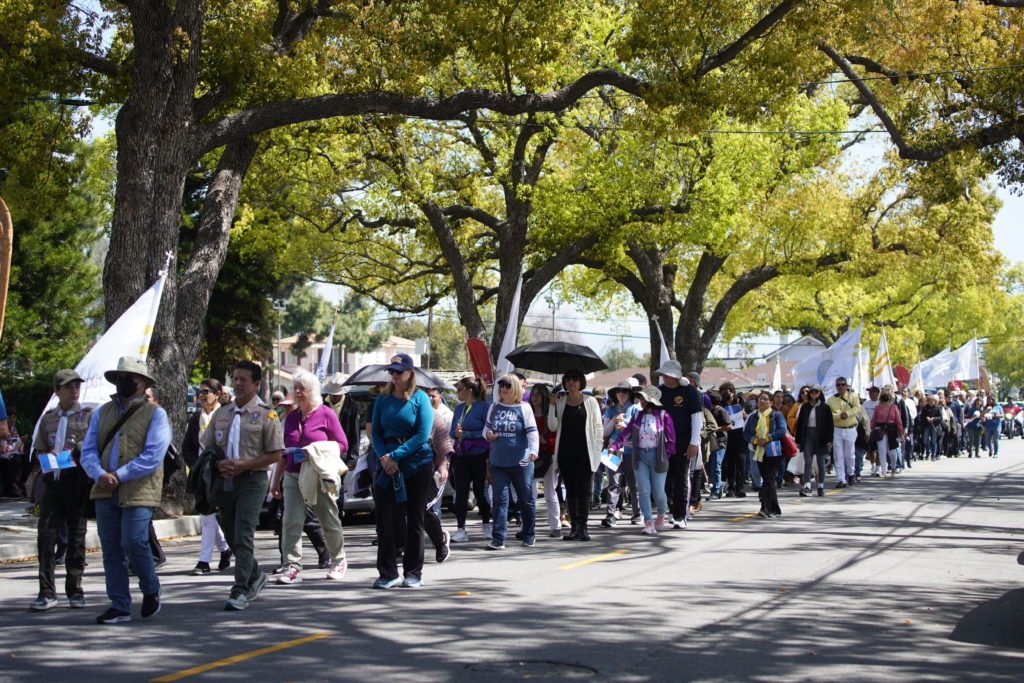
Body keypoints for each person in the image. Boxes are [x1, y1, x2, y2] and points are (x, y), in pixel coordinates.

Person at [80, 356, 172, 624]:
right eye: (120, 377)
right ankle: (119, 604)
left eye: (129, 377)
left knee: (134, 541)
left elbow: (154, 455)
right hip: (105, 489)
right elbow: (87, 451)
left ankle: (151, 588)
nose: (123, 382)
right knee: (111, 549)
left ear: (143, 382)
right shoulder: (102, 412)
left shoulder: (156, 414)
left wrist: (118, 475)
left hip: (139, 490)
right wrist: (99, 474)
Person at [200, 360, 284, 611]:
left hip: (252, 479)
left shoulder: (267, 414)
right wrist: (217, 465)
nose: (237, 384)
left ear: (256, 383)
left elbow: (276, 454)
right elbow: (209, 446)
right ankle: (256, 575)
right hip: (225, 480)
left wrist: (244, 465)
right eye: (235, 378)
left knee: (244, 531)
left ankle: (241, 588)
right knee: (230, 532)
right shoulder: (222, 413)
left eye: (243, 379)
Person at [270, 369, 349, 585]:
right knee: (290, 522)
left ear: (312, 391)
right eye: (295, 388)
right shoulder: (291, 417)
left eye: (301, 388)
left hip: (317, 474)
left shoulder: (326, 414)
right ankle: (292, 566)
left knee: (328, 519)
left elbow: (343, 445)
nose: (297, 392)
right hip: (293, 475)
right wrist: (275, 481)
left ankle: (338, 560)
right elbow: (284, 452)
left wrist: (315, 449)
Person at [29, 369, 93, 611]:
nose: (73, 390)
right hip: (53, 481)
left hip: (76, 481)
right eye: (68, 387)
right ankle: (46, 591)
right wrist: (47, 455)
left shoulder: (88, 416)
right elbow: (39, 448)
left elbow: (93, 446)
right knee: (46, 535)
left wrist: (75, 452)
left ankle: (75, 589)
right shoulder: (48, 418)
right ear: (57, 390)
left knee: (77, 536)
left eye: (76, 386)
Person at [371, 353, 434, 588]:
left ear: (410, 373)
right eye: (392, 372)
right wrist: (384, 457)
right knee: (386, 518)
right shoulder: (383, 399)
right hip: (387, 463)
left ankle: (413, 572)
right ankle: (388, 572)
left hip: (416, 463)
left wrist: (396, 455)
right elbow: (375, 432)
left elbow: (422, 434)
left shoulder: (420, 398)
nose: (395, 376)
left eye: (399, 372)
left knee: (415, 519)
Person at [608, 385, 675, 535]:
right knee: (643, 491)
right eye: (641, 398)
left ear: (652, 400)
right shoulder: (638, 416)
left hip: (658, 457)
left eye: (644, 398)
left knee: (658, 492)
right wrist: (615, 446)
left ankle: (661, 514)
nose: (641, 401)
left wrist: (667, 455)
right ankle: (648, 522)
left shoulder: (664, 416)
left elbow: (671, 441)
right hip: (639, 457)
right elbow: (626, 433)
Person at [181, 378, 232, 576]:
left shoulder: (226, 415)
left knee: (211, 518)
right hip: (202, 474)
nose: (202, 396)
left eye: (206, 392)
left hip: (222, 471)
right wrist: (196, 466)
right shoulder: (196, 418)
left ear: (217, 393)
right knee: (207, 516)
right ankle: (217, 554)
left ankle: (210, 557)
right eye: (199, 393)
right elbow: (188, 447)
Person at [483, 374, 538, 550]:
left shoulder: (525, 408)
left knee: (526, 499)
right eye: (502, 385)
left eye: (507, 385)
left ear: (514, 387)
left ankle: (529, 534)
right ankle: (499, 538)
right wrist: (488, 435)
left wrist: (534, 451)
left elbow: (532, 433)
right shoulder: (494, 406)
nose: (504, 388)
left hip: (521, 462)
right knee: (500, 499)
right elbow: (486, 429)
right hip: (498, 462)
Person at [547, 369, 603, 541]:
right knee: (571, 490)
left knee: (584, 489)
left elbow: (598, 427)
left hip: (586, 452)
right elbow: (553, 426)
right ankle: (574, 528)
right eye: (568, 379)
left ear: (581, 382)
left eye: (575, 379)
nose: (571, 382)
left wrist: (597, 449)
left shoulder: (591, 401)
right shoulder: (561, 400)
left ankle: (583, 528)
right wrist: (552, 405)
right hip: (565, 452)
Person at [657, 361, 703, 529]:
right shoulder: (659, 392)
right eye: (663, 374)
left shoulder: (690, 391)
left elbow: (697, 419)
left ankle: (680, 516)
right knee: (664, 481)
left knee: (681, 480)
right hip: (662, 444)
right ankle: (669, 510)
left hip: (684, 443)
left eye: (667, 374)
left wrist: (693, 443)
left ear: (675, 375)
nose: (664, 377)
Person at [449, 375, 492, 543]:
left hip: (478, 454)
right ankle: (461, 528)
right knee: (461, 491)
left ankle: (487, 524)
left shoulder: (484, 407)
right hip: (461, 454)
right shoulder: (459, 408)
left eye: (459, 389)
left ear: (469, 391)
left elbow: (486, 431)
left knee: (480, 491)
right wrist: (457, 433)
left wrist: (467, 434)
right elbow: (452, 432)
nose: (457, 392)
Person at [601, 380, 640, 527]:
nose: (621, 394)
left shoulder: (636, 409)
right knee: (613, 483)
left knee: (633, 483)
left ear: (630, 394)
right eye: (619, 391)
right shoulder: (610, 410)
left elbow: (639, 430)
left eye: (625, 391)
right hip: (612, 450)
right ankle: (610, 514)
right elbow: (604, 431)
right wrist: (613, 420)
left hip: (631, 449)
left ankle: (637, 513)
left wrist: (625, 426)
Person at [744, 391, 787, 519]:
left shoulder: (776, 415)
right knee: (766, 479)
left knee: (769, 478)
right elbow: (746, 434)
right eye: (760, 399)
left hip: (773, 451)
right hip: (759, 451)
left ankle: (769, 508)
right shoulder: (753, 417)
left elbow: (782, 430)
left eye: (765, 399)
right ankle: (769, 507)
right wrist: (756, 440)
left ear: (771, 402)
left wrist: (767, 438)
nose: (762, 401)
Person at [530, 383, 564, 538]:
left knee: (550, 492)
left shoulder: (551, 413)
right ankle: (527, 525)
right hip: (530, 457)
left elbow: (555, 435)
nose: (534, 397)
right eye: (533, 393)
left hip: (547, 456)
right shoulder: (527, 412)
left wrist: (543, 440)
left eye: (538, 394)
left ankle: (556, 525)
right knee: (530, 493)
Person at [424, 386, 452, 563]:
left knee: (422, 509)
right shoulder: (391, 407)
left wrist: (442, 465)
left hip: (424, 468)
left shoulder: (433, 415)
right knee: (397, 511)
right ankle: (401, 548)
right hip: (398, 469)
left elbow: (442, 444)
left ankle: (440, 541)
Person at [795, 385, 833, 497]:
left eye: (816, 392)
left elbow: (830, 425)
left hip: (821, 436)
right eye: (812, 392)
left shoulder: (825, 407)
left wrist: (829, 439)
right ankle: (807, 486)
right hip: (808, 435)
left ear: (819, 393)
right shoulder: (805, 407)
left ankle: (820, 486)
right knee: (808, 461)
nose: (814, 394)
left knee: (821, 463)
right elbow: (800, 423)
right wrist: (798, 440)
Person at [827, 377, 860, 489]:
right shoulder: (831, 399)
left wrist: (849, 413)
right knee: (838, 455)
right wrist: (839, 415)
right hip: (837, 429)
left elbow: (857, 408)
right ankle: (841, 479)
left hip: (850, 428)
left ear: (846, 385)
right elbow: (829, 415)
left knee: (850, 454)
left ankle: (851, 473)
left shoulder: (853, 396)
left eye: (842, 384)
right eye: (838, 385)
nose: (840, 387)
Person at [719, 382, 748, 498]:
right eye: (724, 391)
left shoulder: (740, 403)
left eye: (729, 391)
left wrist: (743, 414)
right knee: (729, 462)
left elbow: (746, 415)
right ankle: (730, 487)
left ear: (733, 392)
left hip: (739, 433)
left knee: (740, 461)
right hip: (727, 434)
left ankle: (739, 487)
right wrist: (738, 415)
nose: (727, 393)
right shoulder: (720, 405)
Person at [871, 388, 905, 478]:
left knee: (891, 452)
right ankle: (884, 471)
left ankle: (892, 468)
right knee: (883, 451)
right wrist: (870, 430)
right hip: (881, 431)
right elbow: (874, 420)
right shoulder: (878, 408)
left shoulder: (894, 407)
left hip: (891, 431)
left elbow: (898, 421)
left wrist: (901, 433)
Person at [705, 388, 730, 500]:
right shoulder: (706, 411)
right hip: (709, 442)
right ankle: (719, 484)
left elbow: (729, 426)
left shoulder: (720, 411)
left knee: (716, 465)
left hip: (720, 442)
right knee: (710, 466)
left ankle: (716, 490)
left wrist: (715, 429)